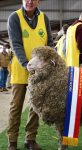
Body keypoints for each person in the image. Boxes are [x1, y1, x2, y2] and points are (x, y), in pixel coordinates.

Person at [7, 0, 54, 149]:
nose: (29, 1)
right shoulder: (15, 17)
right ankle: (12, 141)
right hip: (22, 70)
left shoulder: (44, 18)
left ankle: (30, 139)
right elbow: (16, 44)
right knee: (16, 106)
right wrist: (26, 65)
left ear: (38, 1)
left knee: (36, 107)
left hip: (39, 71)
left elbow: (49, 43)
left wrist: (50, 60)